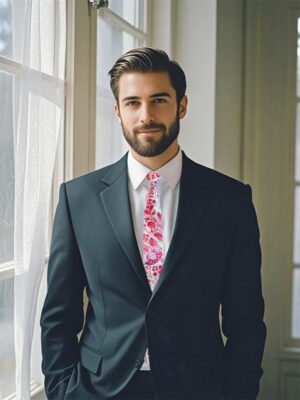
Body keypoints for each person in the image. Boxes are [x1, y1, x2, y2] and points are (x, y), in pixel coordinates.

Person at [40, 47, 266, 400]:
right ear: (117, 112)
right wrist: (62, 390)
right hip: (98, 389)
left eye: (159, 100)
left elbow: (246, 319)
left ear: (182, 105)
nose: (146, 115)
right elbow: (58, 315)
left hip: (199, 388)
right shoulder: (77, 198)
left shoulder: (230, 200)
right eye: (132, 103)